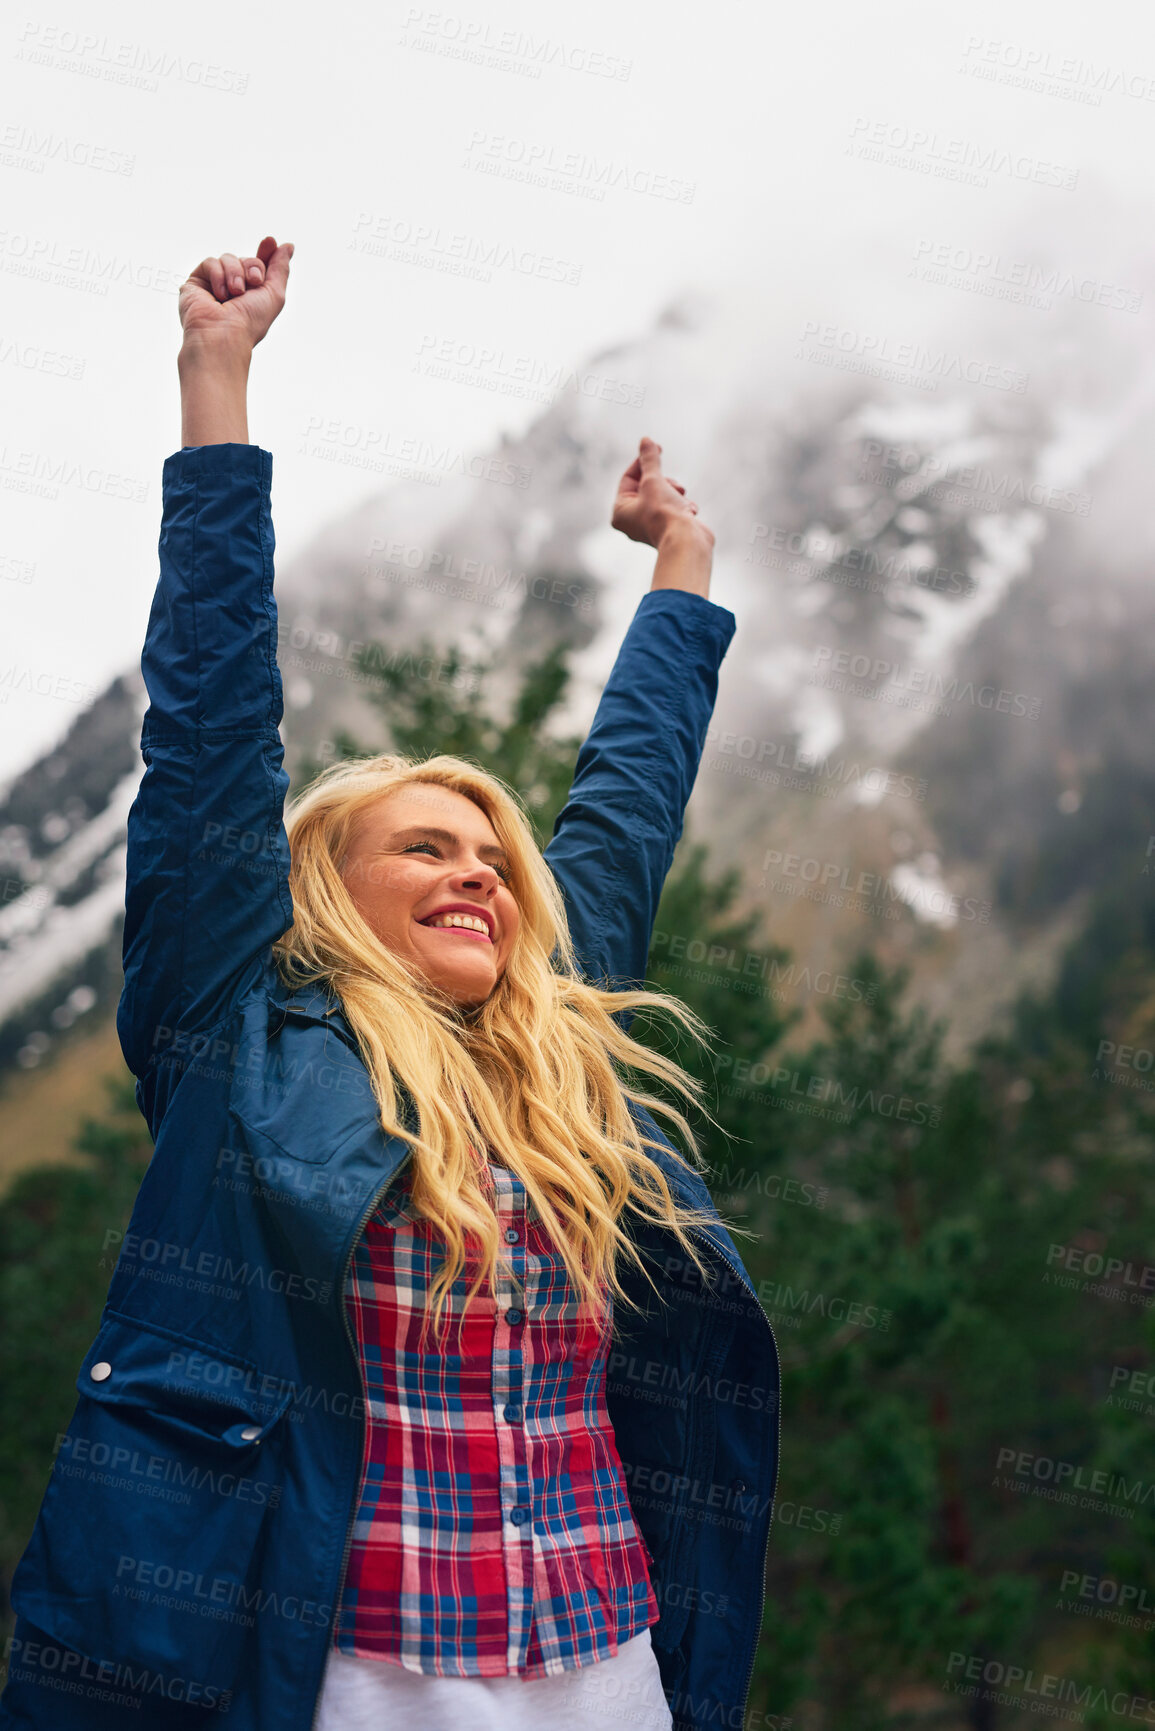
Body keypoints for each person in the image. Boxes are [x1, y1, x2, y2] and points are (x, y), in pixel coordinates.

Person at [0, 236, 779, 1731]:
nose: (480, 872)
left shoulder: (555, 1035)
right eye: (424, 847)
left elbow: (626, 804)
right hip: (353, 1676)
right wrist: (216, 377)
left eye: (491, 854)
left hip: (609, 1666)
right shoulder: (237, 1032)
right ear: (321, 896)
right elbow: (214, 725)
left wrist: (682, 561)